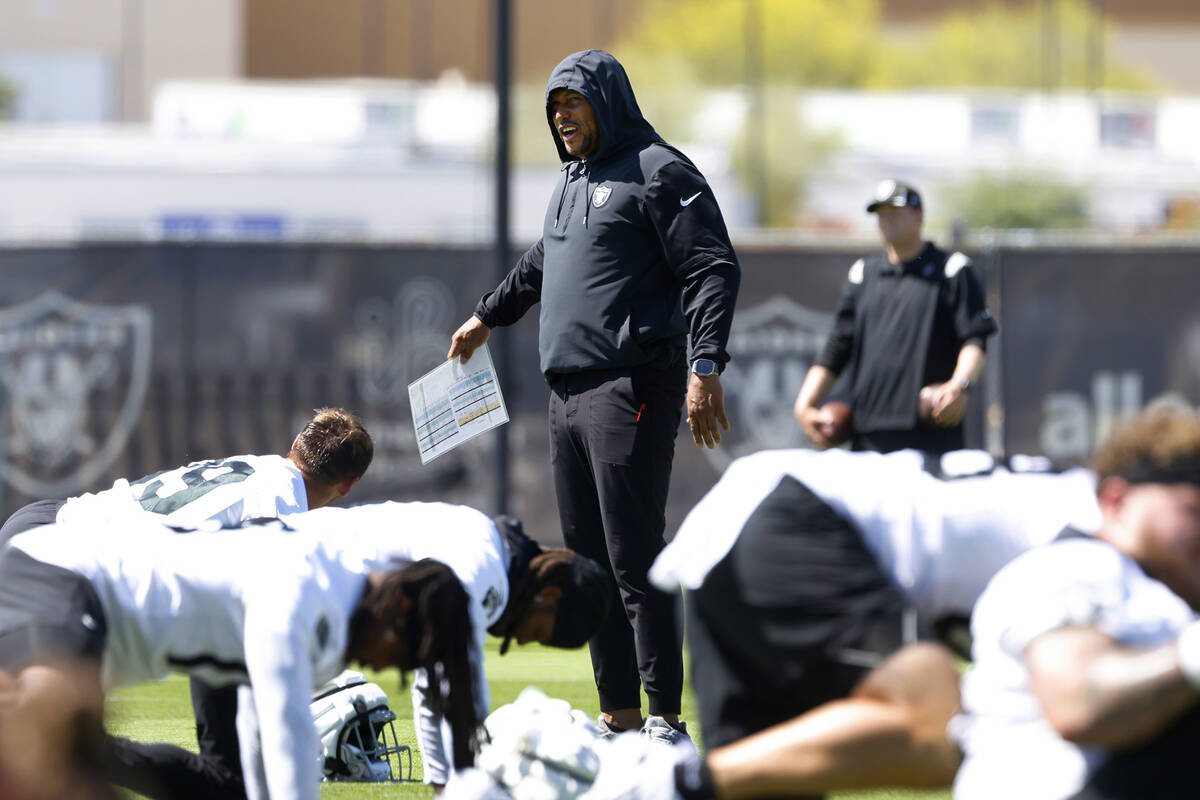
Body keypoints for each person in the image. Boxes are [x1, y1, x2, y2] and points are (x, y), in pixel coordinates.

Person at [447, 49, 740, 744]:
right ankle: (619, 716)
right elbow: (541, 264)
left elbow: (711, 266)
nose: (562, 116)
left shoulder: (658, 171)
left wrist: (705, 365)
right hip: (568, 393)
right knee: (588, 564)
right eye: (554, 108)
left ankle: (666, 717)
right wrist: (487, 315)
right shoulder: (571, 183)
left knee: (633, 554)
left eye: (573, 103)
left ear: (606, 101)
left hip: (631, 383)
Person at [102, 503, 615, 797]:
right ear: (548, 593)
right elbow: (447, 671)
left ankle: (85, 751)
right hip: (256, 594)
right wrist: (451, 784)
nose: (525, 640)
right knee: (230, 783)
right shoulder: (482, 566)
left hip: (260, 585)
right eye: (543, 631)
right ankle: (86, 752)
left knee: (232, 783)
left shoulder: (482, 547)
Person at [0, 516, 479, 800]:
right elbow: (285, 728)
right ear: (397, 608)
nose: (385, 668)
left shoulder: (337, 590)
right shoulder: (308, 596)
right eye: (402, 655)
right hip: (63, 577)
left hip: (72, 589)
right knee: (47, 754)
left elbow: (254, 718)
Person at [954, 408, 1200, 799]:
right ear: (1116, 500)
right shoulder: (1071, 566)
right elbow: (1079, 705)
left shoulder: (1160, 593)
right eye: (1195, 509)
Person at [793, 180, 997, 454]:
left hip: (930, 434)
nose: (887, 219)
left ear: (919, 215)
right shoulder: (863, 273)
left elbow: (974, 338)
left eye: (896, 212)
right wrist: (804, 404)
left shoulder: (951, 269)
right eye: (881, 213)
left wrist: (960, 385)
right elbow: (836, 348)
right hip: (868, 434)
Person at [0, 406, 374, 546]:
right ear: (348, 484)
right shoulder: (282, 499)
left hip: (50, 518)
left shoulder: (259, 466)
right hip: (62, 548)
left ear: (295, 442)